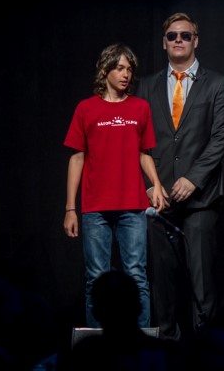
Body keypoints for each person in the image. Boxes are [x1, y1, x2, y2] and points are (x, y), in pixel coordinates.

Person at [136, 12, 224, 344]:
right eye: (172, 36)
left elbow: (220, 137)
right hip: (159, 198)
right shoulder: (146, 86)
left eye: (185, 35)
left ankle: (206, 348)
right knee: (162, 282)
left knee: (202, 282)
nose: (178, 40)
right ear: (164, 43)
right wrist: (151, 184)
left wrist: (193, 179)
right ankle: (166, 345)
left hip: (201, 199)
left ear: (196, 41)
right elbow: (139, 140)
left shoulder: (217, 83)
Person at [64, 43, 165, 329]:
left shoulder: (140, 107)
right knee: (96, 278)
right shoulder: (86, 108)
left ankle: (140, 340)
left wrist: (156, 184)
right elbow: (77, 158)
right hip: (95, 207)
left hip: (132, 205)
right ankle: (98, 343)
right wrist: (70, 208)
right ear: (105, 70)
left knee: (136, 275)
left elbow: (144, 153)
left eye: (129, 69)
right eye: (120, 68)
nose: (125, 74)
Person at [56, 269, 179, 371]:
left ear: (96, 313)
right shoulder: (159, 353)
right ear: (138, 308)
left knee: (133, 272)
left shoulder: (83, 353)